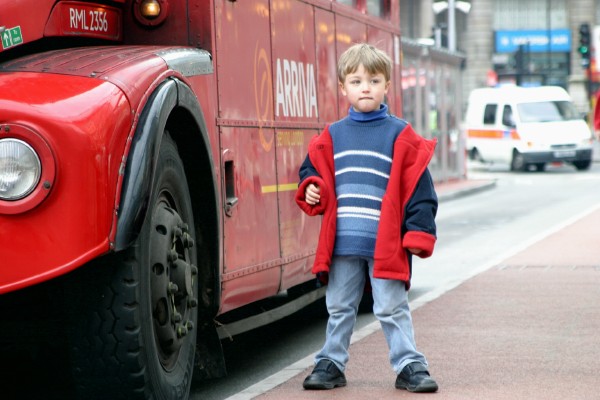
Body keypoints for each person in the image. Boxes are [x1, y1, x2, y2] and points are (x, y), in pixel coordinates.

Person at [295, 43, 439, 393]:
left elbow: (420, 188)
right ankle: (331, 363)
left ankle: (410, 365)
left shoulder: (400, 135)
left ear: (387, 85)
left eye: (374, 80)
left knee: (391, 307)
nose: (365, 87)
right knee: (339, 306)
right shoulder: (332, 136)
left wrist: (419, 232)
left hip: (385, 244)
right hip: (343, 242)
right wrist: (311, 187)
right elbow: (311, 172)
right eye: (357, 81)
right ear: (343, 87)